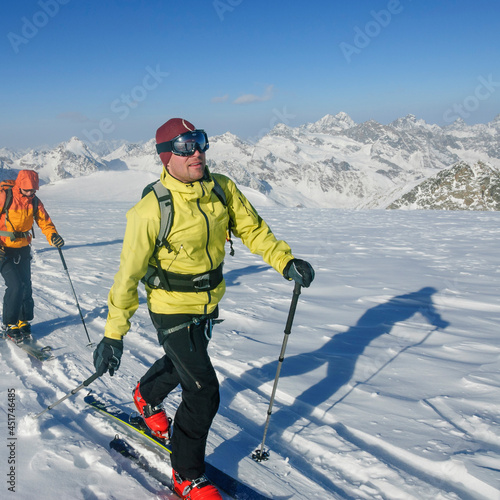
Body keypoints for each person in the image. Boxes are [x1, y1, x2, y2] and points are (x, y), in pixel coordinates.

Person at [92, 118, 314, 500]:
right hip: (170, 305)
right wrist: (113, 334)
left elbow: (253, 229)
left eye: (200, 142)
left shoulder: (221, 188)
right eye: (184, 146)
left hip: (209, 301)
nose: (197, 152)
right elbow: (127, 276)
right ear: (166, 156)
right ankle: (186, 475)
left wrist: (285, 262)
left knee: (186, 364)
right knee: (203, 389)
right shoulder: (150, 210)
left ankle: (146, 395)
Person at [0, 169, 65, 340]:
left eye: (33, 190)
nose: (29, 193)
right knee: (15, 286)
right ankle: (9, 323)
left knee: (26, 285)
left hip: (23, 248)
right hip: (3, 249)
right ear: (20, 186)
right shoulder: (5, 197)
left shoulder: (34, 201)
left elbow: (45, 221)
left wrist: (53, 236)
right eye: (27, 190)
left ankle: (23, 320)